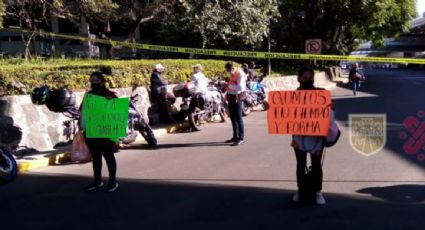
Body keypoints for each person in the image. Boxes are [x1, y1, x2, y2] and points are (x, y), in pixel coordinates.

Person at [291, 66, 327, 205]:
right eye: (305, 78)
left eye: (310, 78)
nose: (308, 80)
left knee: (316, 165)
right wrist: (271, 108)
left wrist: (331, 107)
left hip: (316, 136)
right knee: (301, 164)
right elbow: (284, 112)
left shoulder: (321, 94)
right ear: (299, 79)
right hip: (299, 136)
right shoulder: (292, 97)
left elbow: (329, 113)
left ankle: (318, 192)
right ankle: (300, 191)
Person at [80, 71, 119, 192]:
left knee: (109, 156)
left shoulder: (109, 94)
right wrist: (81, 127)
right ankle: (97, 180)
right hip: (91, 132)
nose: (94, 82)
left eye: (96, 80)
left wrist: (110, 101)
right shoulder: (88, 95)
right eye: (92, 80)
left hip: (106, 132)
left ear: (102, 82)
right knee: (96, 157)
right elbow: (82, 110)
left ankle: (112, 181)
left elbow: (117, 110)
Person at [224, 62, 247, 146]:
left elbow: (240, 87)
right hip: (231, 96)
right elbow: (231, 83)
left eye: (229, 71)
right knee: (232, 117)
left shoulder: (240, 73)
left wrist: (228, 86)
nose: (229, 73)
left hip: (238, 96)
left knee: (238, 117)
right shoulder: (232, 73)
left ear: (232, 68)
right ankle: (235, 136)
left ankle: (241, 138)